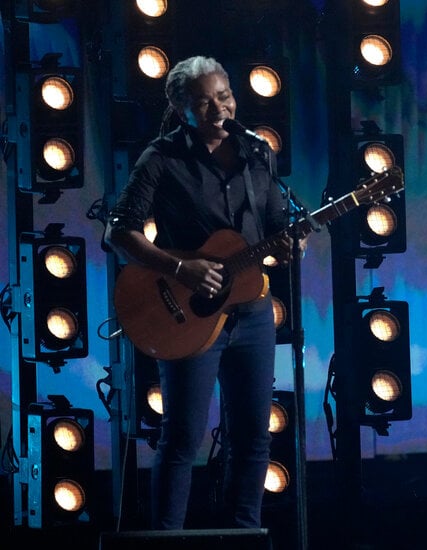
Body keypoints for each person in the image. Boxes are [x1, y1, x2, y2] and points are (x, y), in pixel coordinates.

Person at [105, 56, 296, 529]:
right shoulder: (161, 158)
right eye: (204, 101)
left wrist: (290, 242)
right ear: (181, 108)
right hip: (186, 313)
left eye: (224, 96)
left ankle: (244, 535)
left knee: (254, 438)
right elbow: (120, 233)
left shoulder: (257, 152)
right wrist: (180, 268)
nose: (218, 109)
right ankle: (167, 539)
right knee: (182, 439)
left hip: (251, 313)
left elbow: (274, 223)